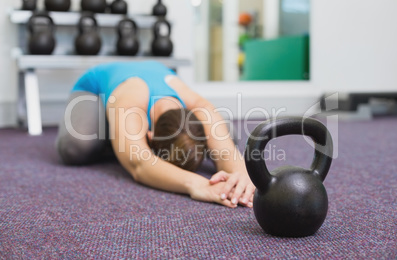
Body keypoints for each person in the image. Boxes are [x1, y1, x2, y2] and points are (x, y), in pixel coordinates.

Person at [56, 61, 255, 208]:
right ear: (149, 136)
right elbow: (140, 165)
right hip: (95, 89)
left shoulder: (199, 107)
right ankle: (115, 133)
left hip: (154, 73)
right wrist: (197, 184)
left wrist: (243, 178)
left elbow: (228, 154)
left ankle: (121, 136)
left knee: (227, 133)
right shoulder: (132, 101)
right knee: (77, 147)